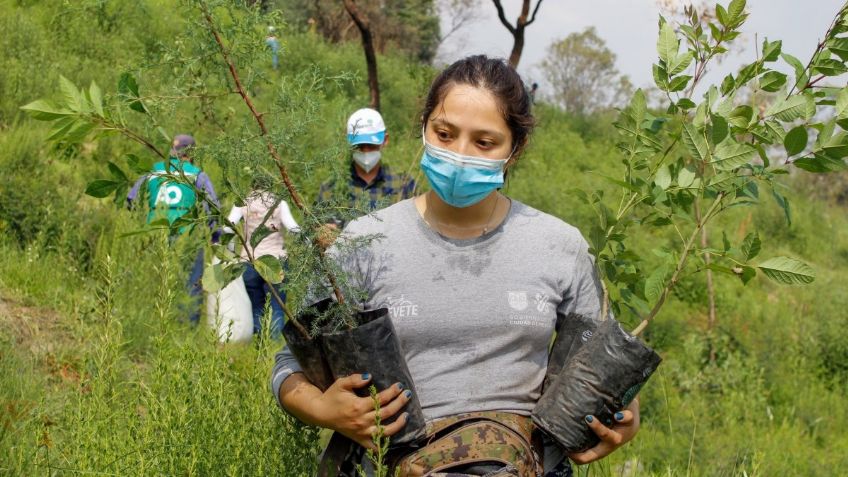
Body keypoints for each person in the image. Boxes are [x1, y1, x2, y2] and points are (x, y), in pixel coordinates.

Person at [271, 56, 639, 475]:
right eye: (444, 134)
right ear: (423, 129)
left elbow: (602, 362)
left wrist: (626, 416)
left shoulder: (559, 245)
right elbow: (289, 367)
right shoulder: (362, 243)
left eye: (484, 143)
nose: (460, 155)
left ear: (514, 150)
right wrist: (322, 408)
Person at [127, 134, 220, 324]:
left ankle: (152, 322)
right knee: (190, 284)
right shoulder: (197, 174)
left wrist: (143, 217)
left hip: (155, 233)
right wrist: (215, 235)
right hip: (188, 235)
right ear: (192, 153)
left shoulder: (154, 172)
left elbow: (131, 199)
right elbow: (214, 208)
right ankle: (185, 327)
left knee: (155, 279)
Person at [315, 108, 415, 247]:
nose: (366, 151)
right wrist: (321, 234)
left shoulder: (403, 184)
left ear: (385, 140)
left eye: (371, 145)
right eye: (359, 146)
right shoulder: (331, 188)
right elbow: (314, 233)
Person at [224, 189, 300, 339]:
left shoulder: (243, 203)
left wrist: (232, 252)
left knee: (256, 305)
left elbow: (227, 228)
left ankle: (260, 344)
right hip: (276, 262)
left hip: (250, 261)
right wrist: (309, 243)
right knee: (277, 305)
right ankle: (273, 344)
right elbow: (293, 228)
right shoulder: (280, 203)